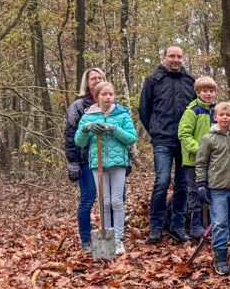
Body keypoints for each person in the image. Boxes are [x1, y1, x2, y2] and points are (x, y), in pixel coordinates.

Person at [139, 45, 196, 244]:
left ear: (183, 59)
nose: (176, 60)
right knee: (162, 181)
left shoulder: (191, 81)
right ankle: (155, 226)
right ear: (164, 58)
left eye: (179, 56)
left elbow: (196, 111)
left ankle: (177, 226)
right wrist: (155, 131)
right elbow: (144, 111)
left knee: (183, 184)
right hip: (162, 140)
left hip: (185, 142)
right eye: (172, 56)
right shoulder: (153, 81)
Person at [74, 81, 137, 255]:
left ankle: (117, 239)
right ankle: (107, 238)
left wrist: (113, 129)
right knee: (104, 201)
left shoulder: (122, 114)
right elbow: (79, 142)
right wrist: (85, 129)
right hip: (98, 164)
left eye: (111, 94)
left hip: (118, 163)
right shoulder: (88, 116)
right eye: (104, 94)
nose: (108, 97)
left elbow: (131, 138)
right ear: (97, 97)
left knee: (116, 201)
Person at [195, 101, 230, 275]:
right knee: (219, 223)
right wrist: (201, 184)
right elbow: (201, 163)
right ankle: (220, 258)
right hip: (217, 188)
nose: (225, 118)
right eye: (221, 115)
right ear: (215, 117)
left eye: (228, 115)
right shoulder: (208, 139)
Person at [65, 67, 105, 252]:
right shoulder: (79, 106)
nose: (97, 81)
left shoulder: (111, 103)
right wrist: (72, 162)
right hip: (85, 159)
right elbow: (70, 134)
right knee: (88, 197)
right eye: (93, 78)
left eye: (100, 77)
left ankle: (111, 237)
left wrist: (127, 158)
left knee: (116, 198)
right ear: (87, 83)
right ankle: (86, 240)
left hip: (109, 160)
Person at [178, 76, 217, 240]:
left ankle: (212, 224)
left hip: (213, 161)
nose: (209, 94)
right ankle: (195, 225)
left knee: (212, 191)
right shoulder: (192, 111)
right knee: (195, 192)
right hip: (193, 161)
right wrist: (200, 150)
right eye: (205, 91)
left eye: (211, 91)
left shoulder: (217, 111)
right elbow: (184, 134)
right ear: (198, 92)